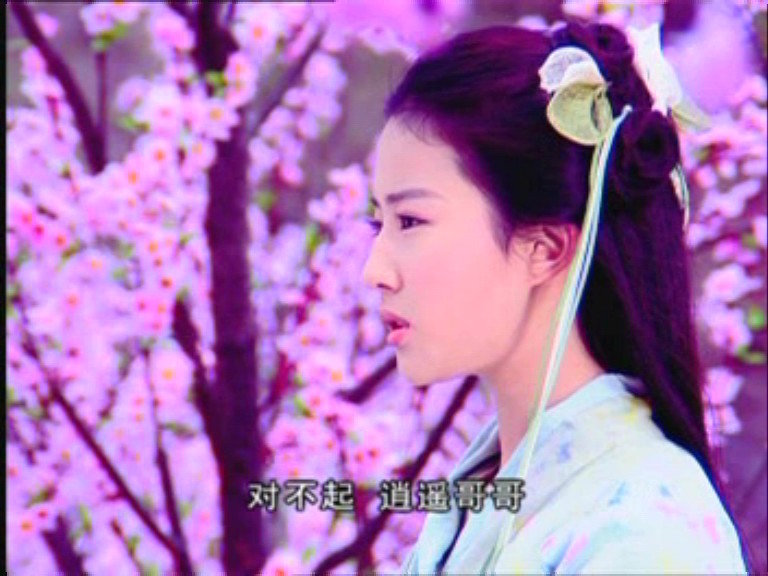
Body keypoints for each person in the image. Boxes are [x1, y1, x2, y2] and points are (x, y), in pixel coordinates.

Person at [361, 20, 756, 575]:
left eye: (410, 220)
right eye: (377, 223)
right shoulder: (491, 490)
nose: (374, 271)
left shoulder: (645, 529)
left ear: (544, 249)